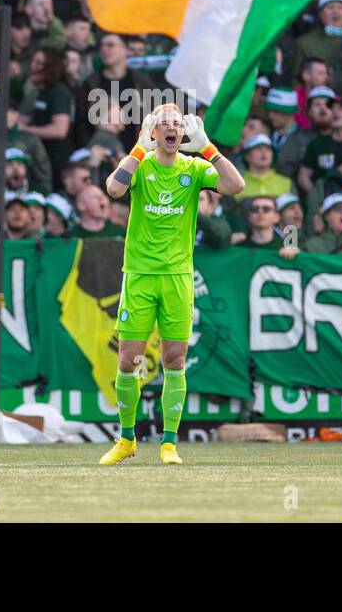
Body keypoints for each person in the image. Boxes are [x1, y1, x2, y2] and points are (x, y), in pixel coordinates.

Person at [100, 104, 244, 465]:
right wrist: (137, 148)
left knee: (174, 358)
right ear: (152, 131)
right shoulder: (141, 164)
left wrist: (207, 146)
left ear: (184, 133)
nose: (171, 129)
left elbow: (235, 185)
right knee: (129, 358)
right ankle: (127, 439)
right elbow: (114, 189)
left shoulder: (194, 168)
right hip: (139, 275)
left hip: (178, 278)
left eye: (177, 124)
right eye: (163, 123)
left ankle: (169, 444)